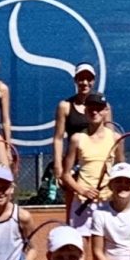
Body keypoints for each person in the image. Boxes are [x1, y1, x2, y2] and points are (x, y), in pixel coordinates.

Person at [57, 93, 122, 222]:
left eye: (98, 109)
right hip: (82, 201)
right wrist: (82, 191)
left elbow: (121, 169)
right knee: (80, 241)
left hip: (107, 202)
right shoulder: (77, 139)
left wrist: (113, 190)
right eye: (91, 109)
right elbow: (66, 175)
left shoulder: (116, 138)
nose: (94, 112)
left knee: (104, 241)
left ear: (105, 111)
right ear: (85, 111)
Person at [49, 65, 99, 200]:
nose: (85, 83)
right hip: (73, 163)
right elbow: (58, 139)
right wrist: (58, 166)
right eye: (81, 79)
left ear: (94, 81)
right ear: (75, 81)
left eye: (89, 79)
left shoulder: (103, 108)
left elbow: (108, 136)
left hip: (95, 162)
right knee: (72, 204)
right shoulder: (64, 106)